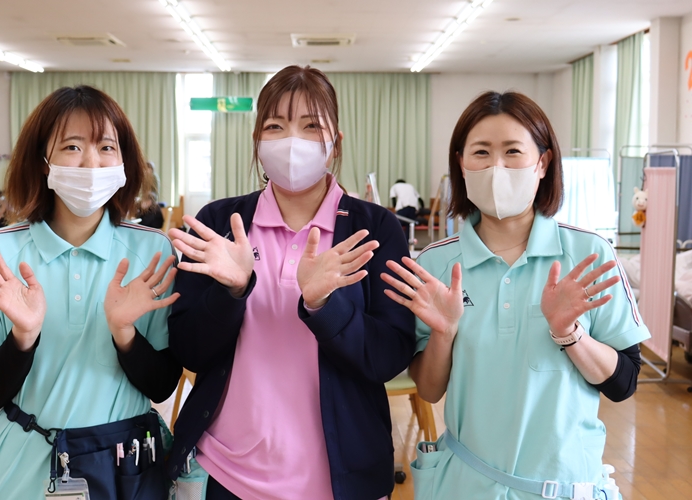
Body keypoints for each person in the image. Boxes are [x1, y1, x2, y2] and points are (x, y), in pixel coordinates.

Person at [381, 91, 650, 500]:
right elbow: (430, 391)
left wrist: (569, 334)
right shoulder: (436, 264)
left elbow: (624, 383)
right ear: (461, 163)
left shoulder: (588, 254)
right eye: (481, 152)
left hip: (562, 485)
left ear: (542, 162)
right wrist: (444, 333)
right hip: (467, 483)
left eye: (512, 151)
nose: (497, 167)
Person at [167, 65, 414, 500]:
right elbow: (188, 350)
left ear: (336, 143)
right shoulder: (220, 223)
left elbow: (389, 356)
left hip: (343, 480)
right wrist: (232, 292)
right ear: (258, 142)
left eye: (311, 126)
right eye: (275, 126)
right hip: (226, 473)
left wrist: (324, 306)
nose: (292, 140)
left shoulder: (373, 229)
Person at [0, 85, 182, 500]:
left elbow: (162, 386)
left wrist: (125, 334)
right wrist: (23, 337)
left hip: (126, 462)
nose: (91, 162)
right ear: (43, 162)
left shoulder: (153, 251)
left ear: (123, 161)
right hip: (25, 464)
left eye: (106, 147)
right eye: (72, 147)